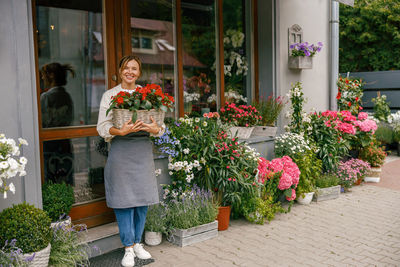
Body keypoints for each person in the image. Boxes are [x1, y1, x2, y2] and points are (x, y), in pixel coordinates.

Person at [97, 55, 164, 267]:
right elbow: (102, 127)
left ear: (139, 72)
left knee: (142, 200)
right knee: (124, 201)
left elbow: (160, 126)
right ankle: (127, 248)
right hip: (121, 150)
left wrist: (156, 130)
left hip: (143, 151)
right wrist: (120, 130)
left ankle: (137, 243)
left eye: (134, 68)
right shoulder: (110, 95)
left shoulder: (148, 95)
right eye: (126, 68)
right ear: (119, 71)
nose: (130, 72)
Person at [40, 62, 75, 185]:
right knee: (65, 180)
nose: (42, 78)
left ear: (51, 75)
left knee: (51, 182)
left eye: (43, 75)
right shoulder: (67, 96)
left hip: (49, 146)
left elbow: (43, 122)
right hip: (65, 144)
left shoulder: (45, 97)